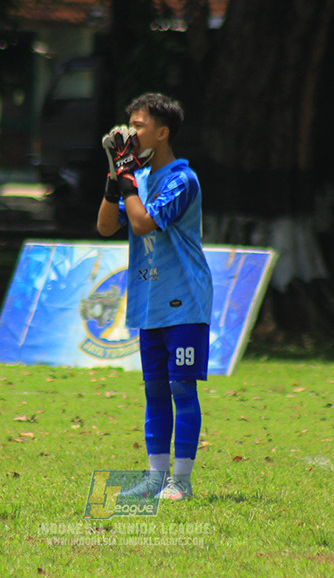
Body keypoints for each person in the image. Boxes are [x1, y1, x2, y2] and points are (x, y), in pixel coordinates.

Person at [97, 93, 213, 501]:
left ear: (162, 133)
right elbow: (106, 226)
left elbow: (144, 224)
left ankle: (180, 481)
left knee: (182, 388)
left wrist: (129, 176)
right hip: (149, 301)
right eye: (129, 123)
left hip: (184, 300)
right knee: (154, 390)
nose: (130, 131)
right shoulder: (137, 179)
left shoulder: (183, 178)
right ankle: (154, 477)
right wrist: (118, 179)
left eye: (139, 124)